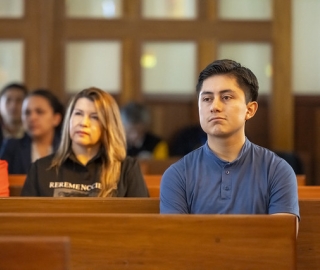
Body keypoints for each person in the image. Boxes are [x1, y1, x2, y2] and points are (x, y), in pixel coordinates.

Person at [160, 59, 300, 224]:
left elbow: (281, 240)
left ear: (250, 110)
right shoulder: (177, 175)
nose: (214, 107)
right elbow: (176, 241)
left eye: (226, 97)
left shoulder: (276, 170)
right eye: (206, 99)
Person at [21, 87, 149, 197]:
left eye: (94, 117)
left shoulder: (127, 169)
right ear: (69, 119)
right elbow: (26, 221)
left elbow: (142, 221)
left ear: (108, 125)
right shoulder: (41, 168)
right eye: (78, 114)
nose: (83, 123)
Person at [0, 89, 64, 174]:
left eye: (39, 112)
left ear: (56, 118)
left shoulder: (66, 148)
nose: (32, 118)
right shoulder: (12, 147)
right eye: (27, 113)